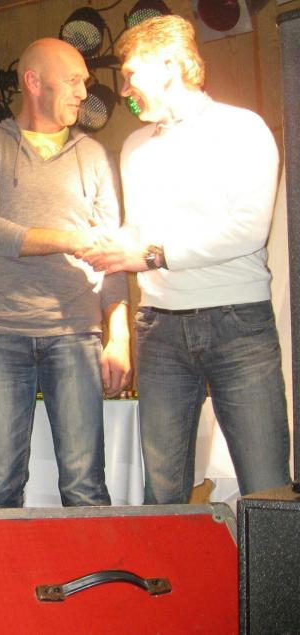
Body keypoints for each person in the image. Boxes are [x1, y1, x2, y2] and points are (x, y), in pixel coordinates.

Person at [80, 15, 290, 503]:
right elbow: (138, 233)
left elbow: (248, 231)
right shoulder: (135, 147)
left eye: (131, 74)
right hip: (159, 328)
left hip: (239, 323)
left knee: (267, 487)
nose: (125, 89)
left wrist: (150, 255)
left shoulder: (242, 128)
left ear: (170, 64)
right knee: (163, 492)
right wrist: (105, 246)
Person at [0, 38, 131, 510]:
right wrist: (68, 239)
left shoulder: (93, 155)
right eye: (73, 80)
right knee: (0, 487)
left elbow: (112, 254)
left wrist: (119, 337)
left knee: (85, 487)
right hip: (2, 335)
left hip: (77, 334)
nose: (83, 91)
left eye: (84, 82)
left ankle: (92, 563)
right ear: (33, 82)